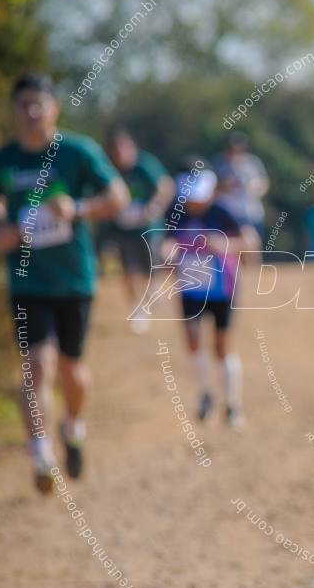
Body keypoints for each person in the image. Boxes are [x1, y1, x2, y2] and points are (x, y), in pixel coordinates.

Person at [0, 72, 130, 493]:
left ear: (53, 108)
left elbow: (118, 196)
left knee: (71, 370)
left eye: (37, 104)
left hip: (75, 279)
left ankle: (74, 426)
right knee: (36, 366)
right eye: (23, 105)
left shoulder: (78, 152)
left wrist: (78, 207)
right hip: (26, 280)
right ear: (14, 111)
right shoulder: (0, 160)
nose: (30, 113)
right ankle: (41, 456)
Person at [162, 157, 258, 428]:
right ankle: (205, 393)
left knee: (221, 348)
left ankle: (232, 404)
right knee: (192, 342)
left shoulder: (224, 211)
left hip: (222, 289)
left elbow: (251, 242)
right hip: (190, 288)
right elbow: (168, 242)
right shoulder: (176, 211)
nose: (195, 203)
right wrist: (167, 253)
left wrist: (225, 244)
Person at [100, 125, 175, 334]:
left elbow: (166, 186)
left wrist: (155, 206)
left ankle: (152, 287)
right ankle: (137, 308)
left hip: (148, 228)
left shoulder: (145, 164)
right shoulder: (107, 169)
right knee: (129, 270)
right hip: (124, 231)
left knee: (153, 265)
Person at [212, 132, 267, 263]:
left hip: (251, 211)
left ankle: (255, 276)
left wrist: (257, 189)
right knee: (235, 249)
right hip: (229, 213)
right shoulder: (218, 163)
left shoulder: (252, 162)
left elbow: (264, 182)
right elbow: (210, 186)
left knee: (254, 247)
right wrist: (224, 186)